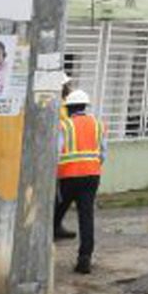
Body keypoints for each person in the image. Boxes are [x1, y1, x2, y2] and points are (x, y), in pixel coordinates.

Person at [53, 88, 104, 273]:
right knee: (86, 216)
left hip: (68, 176)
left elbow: (56, 152)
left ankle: (44, 247)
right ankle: (85, 258)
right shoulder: (97, 124)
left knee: (57, 209)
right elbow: (103, 152)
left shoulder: (64, 126)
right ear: (84, 106)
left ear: (69, 108)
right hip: (92, 175)